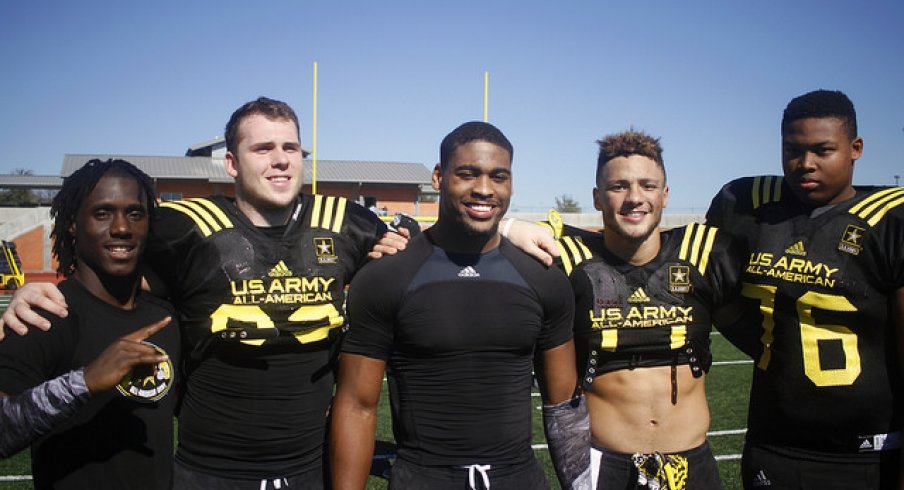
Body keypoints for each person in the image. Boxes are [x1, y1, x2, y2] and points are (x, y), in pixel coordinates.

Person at [0, 97, 398, 489]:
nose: (280, 160)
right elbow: (108, 260)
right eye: (262, 148)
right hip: (210, 471)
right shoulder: (182, 226)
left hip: (311, 466)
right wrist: (36, 291)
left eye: (290, 147)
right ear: (231, 163)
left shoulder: (348, 222)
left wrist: (402, 241)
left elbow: (410, 259)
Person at [329, 121, 589, 490]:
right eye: (467, 174)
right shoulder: (386, 276)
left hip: (518, 479)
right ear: (438, 177)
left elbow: (564, 409)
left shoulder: (543, 278)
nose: (484, 189)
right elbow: (356, 405)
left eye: (499, 177)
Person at [705, 89, 904, 489]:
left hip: (868, 456)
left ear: (855, 148)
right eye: (793, 150)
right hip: (774, 446)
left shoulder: (889, 220)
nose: (805, 164)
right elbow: (698, 276)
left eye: (822, 150)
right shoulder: (748, 204)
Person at [534, 130, 742, 489]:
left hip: (693, 463)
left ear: (664, 195)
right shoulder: (569, 259)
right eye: (618, 186)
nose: (634, 198)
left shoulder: (704, 253)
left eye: (647, 185)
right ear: (598, 198)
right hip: (608, 466)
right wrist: (510, 226)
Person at [0, 158, 179, 489]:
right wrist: (84, 382)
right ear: (72, 223)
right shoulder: (42, 317)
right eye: (102, 213)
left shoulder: (165, 317)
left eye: (135, 214)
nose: (121, 227)